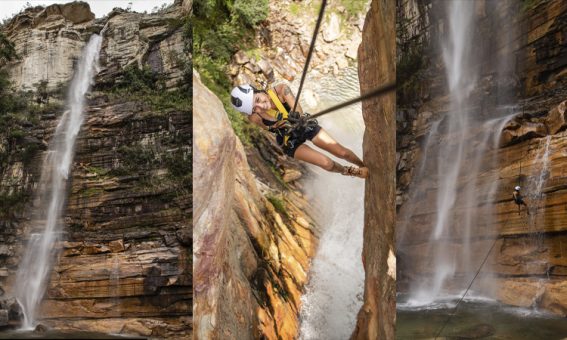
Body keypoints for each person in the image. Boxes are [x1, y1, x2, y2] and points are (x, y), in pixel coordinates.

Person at [230, 83, 368, 178]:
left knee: (342, 152)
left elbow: (297, 109)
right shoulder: (254, 118)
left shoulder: (281, 91)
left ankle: (364, 165)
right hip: (288, 140)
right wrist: (279, 126)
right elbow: (268, 128)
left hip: (302, 124)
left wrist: (296, 117)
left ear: (258, 90)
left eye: (258, 99)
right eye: (255, 108)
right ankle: (350, 171)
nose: (261, 107)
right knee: (326, 163)